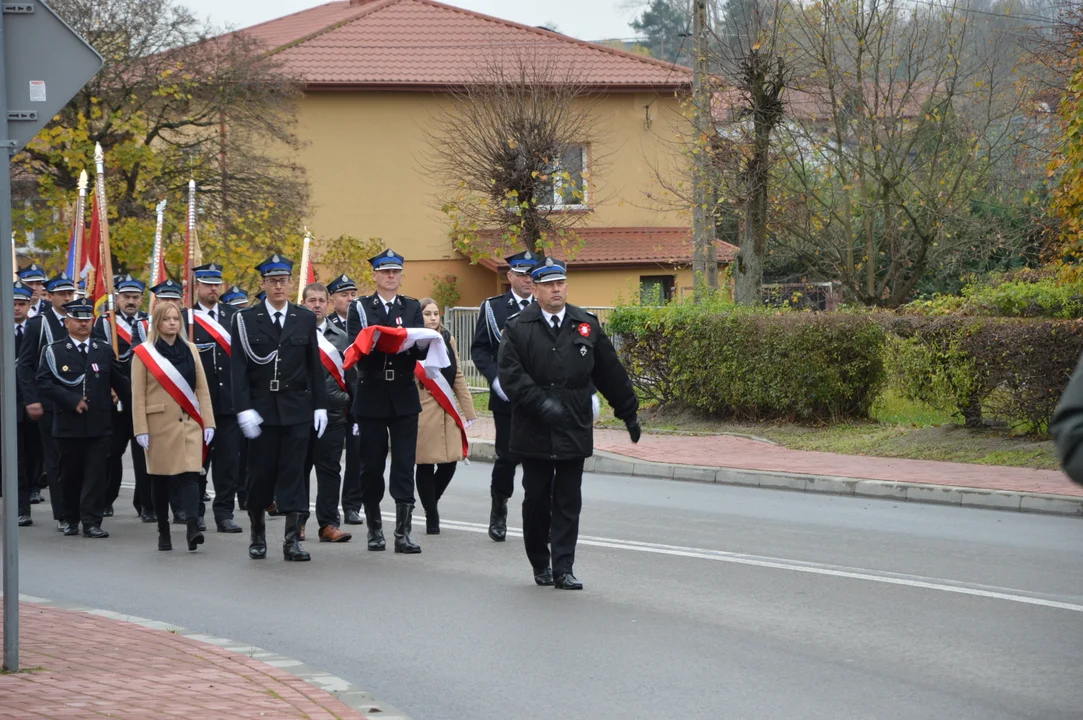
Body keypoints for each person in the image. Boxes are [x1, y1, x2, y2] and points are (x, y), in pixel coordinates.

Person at [497, 257, 641, 590]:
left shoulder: (584, 323)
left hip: (573, 423)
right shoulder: (519, 327)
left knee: (567, 499)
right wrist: (541, 403)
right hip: (534, 427)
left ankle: (563, 567)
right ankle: (540, 562)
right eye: (549, 284)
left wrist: (628, 411)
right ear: (535, 288)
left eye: (561, 283)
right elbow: (511, 377)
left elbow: (610, 372)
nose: (557, 289)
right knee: (536, 500)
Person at [231, 253, 328, 562]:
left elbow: (314, 365)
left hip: (297, 406)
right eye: (272, 281)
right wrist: (243, 408)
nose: (278, 287)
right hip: (262, 409)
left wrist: (319, 406)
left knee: (295, 473)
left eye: (283, 281)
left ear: (290, 283)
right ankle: (257, 533)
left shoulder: (303, 317)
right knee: (260, 473)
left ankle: (291, 540)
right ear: (264, 284)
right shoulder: (246, 320)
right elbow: (238, 369)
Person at [346, 249, 425, 554]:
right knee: (372, 466)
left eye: (396, 272)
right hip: (372, 394)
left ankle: (403, 532)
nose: (391, 277)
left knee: (404, 465)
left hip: (404, 393)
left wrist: (401, 342)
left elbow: (418, 348)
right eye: (386, 272)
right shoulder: (361, 308)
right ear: (375, 275)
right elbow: (359, 347)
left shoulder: (412, 306)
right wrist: (394, 343)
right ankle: (374, 527)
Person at [35, 300, 128, 538]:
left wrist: (137, 405)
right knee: (70, 475)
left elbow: (121, 384)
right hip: (68, 425)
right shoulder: (54, 351)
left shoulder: (103, 350)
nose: (83, 323)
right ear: (67, 323)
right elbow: (43, 383)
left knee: (96, 475)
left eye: (87, 319)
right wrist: (70, 399)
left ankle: (91, 522)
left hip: (99, 425)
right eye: (77, 319)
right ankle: (70, 518)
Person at [131, 303, 215, 551]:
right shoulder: (143, 353)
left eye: (176, 319)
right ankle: (163, 530)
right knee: (161, 479)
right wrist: (140, 429)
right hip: (158, 424)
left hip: (189, 422)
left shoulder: (190, 349)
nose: (172, 323)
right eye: (166, 319)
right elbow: (137, 395)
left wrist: (208, 421)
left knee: (191, 474)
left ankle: (192, 528)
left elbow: (202, 388)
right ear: (157, 322)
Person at [471, 250, 538, 541]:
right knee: (507, 458)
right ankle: (499, 508)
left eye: (531, 274)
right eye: (522, 274)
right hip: (507, 398)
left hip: (540, 397)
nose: (527, 280)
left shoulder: (547, 305)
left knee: (541, 459)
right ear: (509, 276)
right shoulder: (493, 308)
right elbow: (480, 350)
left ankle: (539, 516)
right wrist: (495, 379)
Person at [17, 272, 76, 532]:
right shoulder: (39, 324)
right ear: (49, 296)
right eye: (61, 294)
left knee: (76, 459)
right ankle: (63, 514)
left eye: (69, 293)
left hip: (76, 402)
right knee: (55, 459)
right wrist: (31, 400)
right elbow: (25, 366)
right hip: (49, 403)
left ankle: (80, 509)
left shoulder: (81, 318)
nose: (66, 298)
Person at [189, 262, 243, 534]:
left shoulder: (235, 316)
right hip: (199, 404)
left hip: (229, 401)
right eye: (207, 284)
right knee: (197, 462)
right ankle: (195, 512)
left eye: (216, 284)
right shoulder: (186, 319)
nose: (213, 289)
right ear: (197, 286)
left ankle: (224, 513)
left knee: (228, 463)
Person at [93, 274, 152, 521]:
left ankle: (146, 504)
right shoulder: (105, 323)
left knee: (144, 454)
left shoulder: (148, 323)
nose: (130, 301)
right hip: (115, 398)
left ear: (141, 299)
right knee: (111, 453)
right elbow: (97, 359)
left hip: (142, 397)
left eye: (135, 297)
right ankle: (107, 499)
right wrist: (109, 387)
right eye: (126, 297)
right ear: (117, 298)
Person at [415, 298, 476, 535]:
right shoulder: (412, 340)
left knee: (450, 462)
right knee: (425, 463)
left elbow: (458, 374)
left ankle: (431, 502)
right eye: (428, 313)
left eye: (436, 313)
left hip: (446, 410)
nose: (433, 317)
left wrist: (468, 409)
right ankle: (432, 514)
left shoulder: (447, 338)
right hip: (422, 410)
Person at [299, 282, 352, 543]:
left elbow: (350, 375)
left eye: (321, 300)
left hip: (332, 415)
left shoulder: (341, 337)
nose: (317, 305)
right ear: (304, 303)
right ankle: (297, 522)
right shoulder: (293, 333)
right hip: (300, 414)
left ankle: (329, 524)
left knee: (330, 470)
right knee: (299, 470)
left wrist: (348, 402)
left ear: (328, 303)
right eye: (312, 300)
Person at [328, 274, 363, 525]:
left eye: (353, 294)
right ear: (332, 299)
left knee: (357, 456)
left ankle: (352, 505)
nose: (350, 299)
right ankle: (326, 508)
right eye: (344, 295)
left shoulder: (362, 323)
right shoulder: (326, 326)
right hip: (333, 402)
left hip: (358, 400)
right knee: (328, 460)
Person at [13, 281, 34, 526]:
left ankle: (32, 490)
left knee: (34, 455)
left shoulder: (36, 328)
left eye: (21, 304)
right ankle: (21, 507)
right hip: (8, 400)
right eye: (13, 304)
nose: (17, 308)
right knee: (15, 456)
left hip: (32, 399)